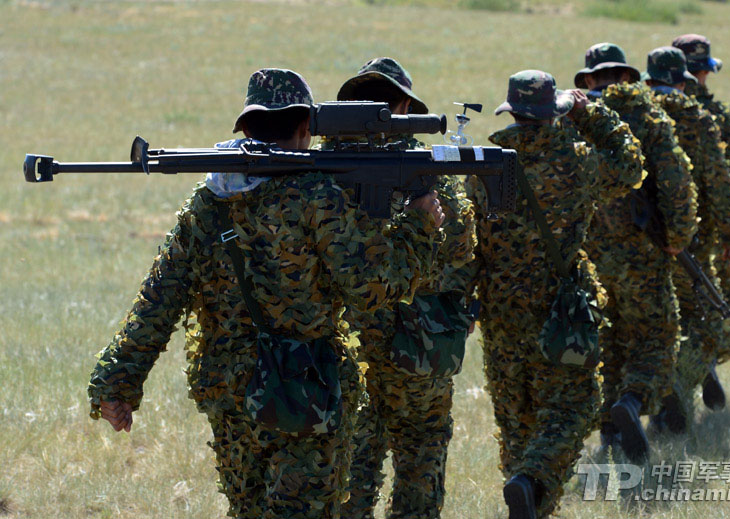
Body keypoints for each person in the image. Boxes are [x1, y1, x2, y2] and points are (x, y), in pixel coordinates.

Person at [87, 68, 444, 519]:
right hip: (303, 393)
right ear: (305, 128)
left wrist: (117, 383)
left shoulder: (208, 199)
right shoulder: (316, 195)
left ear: (247, 127)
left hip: (230, 394)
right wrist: (418, 228)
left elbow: (159, 298)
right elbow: (373, 287)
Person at [467, 69, 644, 519]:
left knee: (515, 419)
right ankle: (531, 478)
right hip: (559, 312)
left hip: (500, 311)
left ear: (512, 111)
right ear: (553, 113)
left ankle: (525, 493)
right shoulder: (576, 162)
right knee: (578, 403)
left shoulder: (485, 165)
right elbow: (630, 165)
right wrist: (592, 113)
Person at [327, 57, 477, 519]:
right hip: (418, 347)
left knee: (352, 463)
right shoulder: (428, 171)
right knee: (421, 457)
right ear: (407, 106)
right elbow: (460, 246)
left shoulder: (319, 169)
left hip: (346, 346)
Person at [574, 43, 697, 457]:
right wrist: (678, 237)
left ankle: (610, 430)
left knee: (606, 341)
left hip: (588, 254)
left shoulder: (571, 118)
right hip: (642, 251)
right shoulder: (647, 115)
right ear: (627, 77)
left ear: (588, 79)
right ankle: (633, 400)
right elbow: (677, 183)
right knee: (656, 339)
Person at [643, 48, 730, 426]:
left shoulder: (631, 115)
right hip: (692, 240)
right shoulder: (697, 118)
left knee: (648, 325)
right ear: (685, 79)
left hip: (634, 243)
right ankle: (680, 385)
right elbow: (727, 184)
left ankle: (635, 410)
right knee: (704, 320)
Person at [674, 34, 730, 401]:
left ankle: (680, 375)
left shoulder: (655, 111)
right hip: (709, 234)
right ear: (706, 70)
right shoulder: (715, 116)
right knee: (718, 306)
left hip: (652, 230)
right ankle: (697, 366)